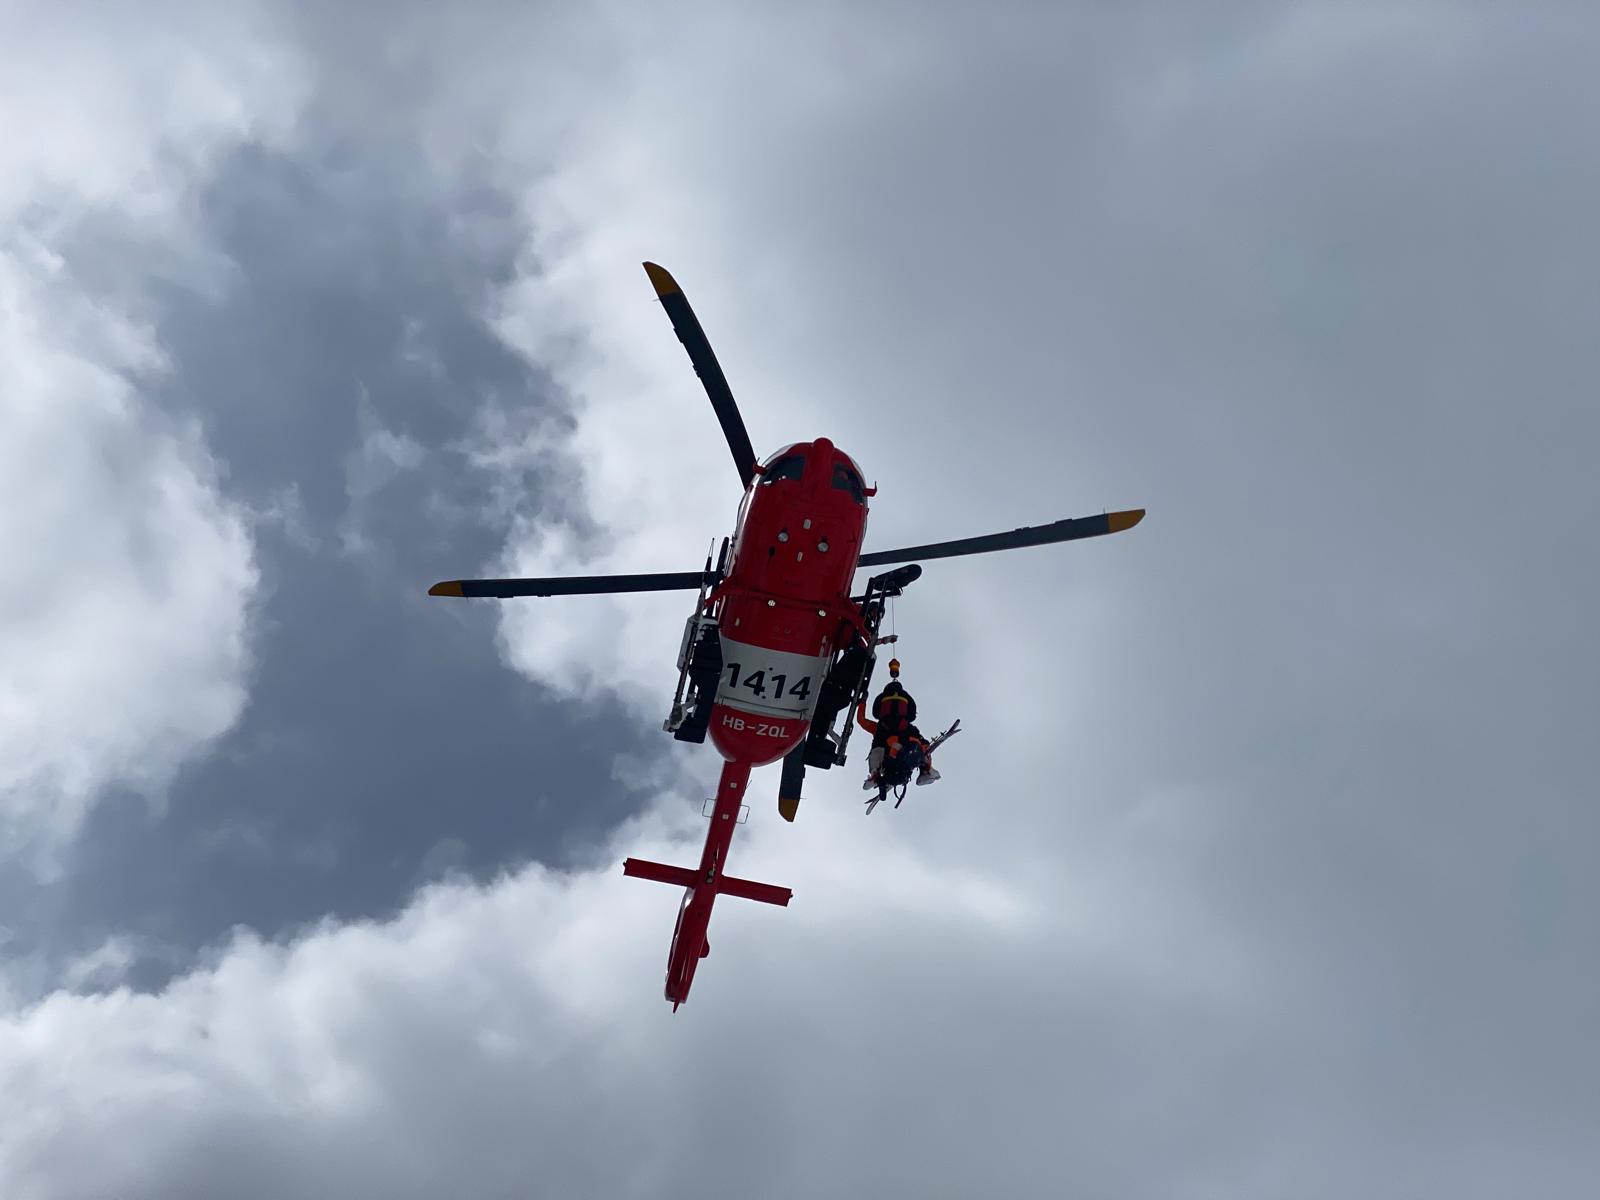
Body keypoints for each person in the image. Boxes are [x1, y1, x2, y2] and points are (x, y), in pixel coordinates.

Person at [856, 659, 941, 790]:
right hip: (905, 750)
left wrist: (862, 702)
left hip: (891, 755)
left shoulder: (880, 728)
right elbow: (923, 742)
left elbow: (861, 720)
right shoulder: (908, 727)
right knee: (921, 746)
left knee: (876, 751)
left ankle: (875, 774)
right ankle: (927, 770)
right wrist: (924, 747)